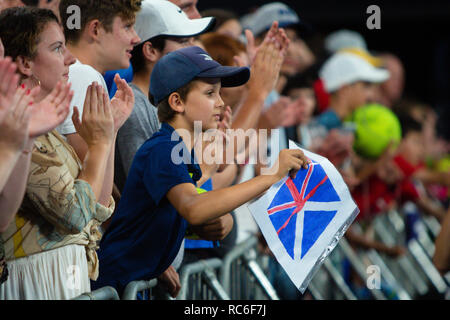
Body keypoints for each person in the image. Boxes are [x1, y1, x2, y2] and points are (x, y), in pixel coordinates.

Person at [92, 46, 309, 297]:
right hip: (115, 287)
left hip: (131, 287)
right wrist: (271, 176)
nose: (221, 102)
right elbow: (194, 207)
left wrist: (202, 225)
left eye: (219, 93)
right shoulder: (163, 148)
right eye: (210, 93)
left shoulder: (179, 151)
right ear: (177, 102)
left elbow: (174, 213)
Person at [0, 6, 119, 300]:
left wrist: (109, 134)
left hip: (64, 273)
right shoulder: (15, 128)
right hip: (36, 279)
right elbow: (76, 215)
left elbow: (99, 208)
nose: (71, 58)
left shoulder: (47, 130)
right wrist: (100, 146)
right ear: (26, 63)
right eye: (57, 48)